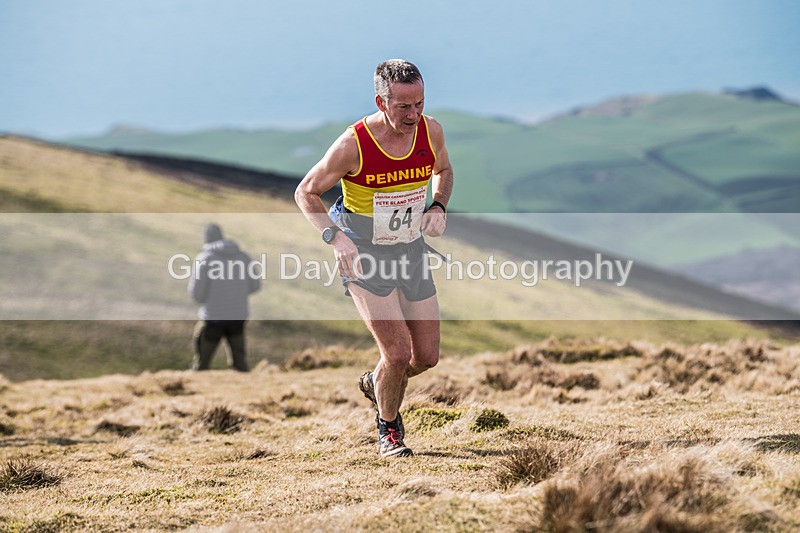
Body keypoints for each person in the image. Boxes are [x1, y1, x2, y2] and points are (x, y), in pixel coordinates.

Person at [295, 59, 454, 457]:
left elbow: (445, 170)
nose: (414, 114)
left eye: (419, 103)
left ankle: (376, 380)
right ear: (381, 102)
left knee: (426, 358)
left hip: (409, 249)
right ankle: (389, 431)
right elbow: (306, 192)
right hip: (363, 253)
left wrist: (438, 205)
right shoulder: (354, 144)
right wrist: (334, 238)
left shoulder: (430, 131)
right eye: (403, 106)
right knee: (397, 353)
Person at [188, 223, 262, 372]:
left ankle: (196, 388)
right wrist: (237, 295)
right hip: (238, 316)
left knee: (201, 363)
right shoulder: (243, 257)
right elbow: (255, 285)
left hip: (212, 317)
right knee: (240, 364)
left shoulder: (205, 259)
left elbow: (196, 293)